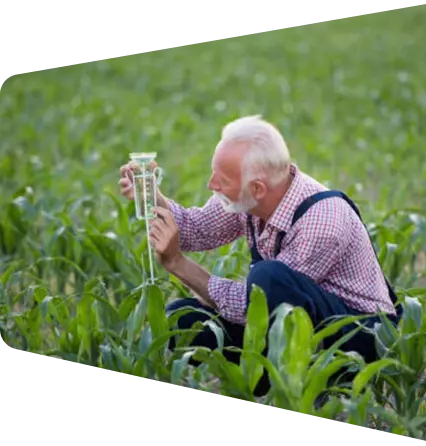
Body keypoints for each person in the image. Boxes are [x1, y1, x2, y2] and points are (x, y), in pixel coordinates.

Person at [119, 115, 402, 396]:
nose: (211, 185)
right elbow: (198, 229)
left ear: (257, 188)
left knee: (268, 276)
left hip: (361, 336)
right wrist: (151, 195)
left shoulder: (323, 221)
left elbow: (251, 307)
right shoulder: (251, 197)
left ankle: (306, 387)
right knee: (182, 319)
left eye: (222, 179)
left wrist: (177, 264)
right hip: (291, 323)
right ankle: (263, 382)